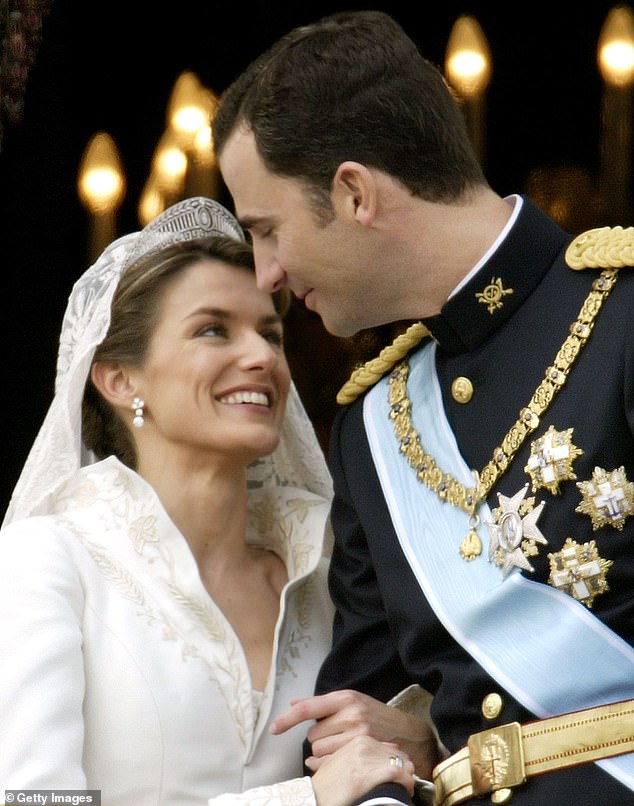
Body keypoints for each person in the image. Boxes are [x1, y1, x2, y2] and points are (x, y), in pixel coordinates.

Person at [212, 10, 634, 805]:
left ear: (354, 192)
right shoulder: (373, 430)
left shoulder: (623, 321)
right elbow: (355, 733)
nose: (264, 273)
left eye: (267, 230)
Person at [0, 196, 429, 806]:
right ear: (120, 379)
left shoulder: (333, 569)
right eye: (212, 329)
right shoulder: (47, 560)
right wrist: (301, 800)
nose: (261, 357)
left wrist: (423, 743)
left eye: (271, 334)